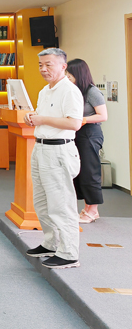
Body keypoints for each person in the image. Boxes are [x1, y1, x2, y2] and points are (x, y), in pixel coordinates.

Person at [24, 48, 84, 269]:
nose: (43, 69)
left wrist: (42, 119)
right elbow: (43, 118)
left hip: (59, 150)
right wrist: (32, 117)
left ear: (63, 66)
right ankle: (51, 243)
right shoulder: (44, 91)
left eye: (48, 64)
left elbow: (74, 123)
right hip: (41, 148)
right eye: (40, 65)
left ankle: (69, 253)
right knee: (42, 203)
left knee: (61, 205)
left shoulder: (70, 91)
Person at [66, 58, 108, 223]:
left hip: (90, 134)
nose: (67, 77)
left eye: (69, 74)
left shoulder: (92, 91)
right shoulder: (75, 91)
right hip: (77, 133)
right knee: (80, 172)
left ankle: (93, 210)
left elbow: (103, 115)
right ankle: (87, 208)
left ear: (79, 74)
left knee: (90, 172)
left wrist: (82, 119)